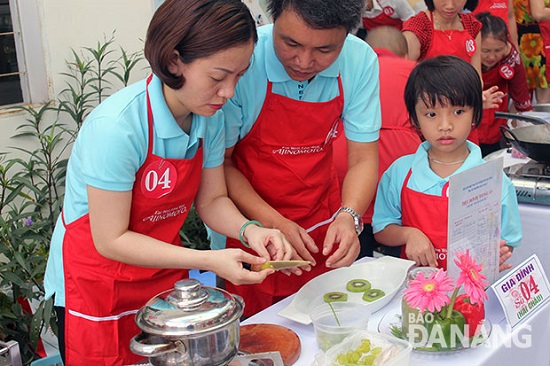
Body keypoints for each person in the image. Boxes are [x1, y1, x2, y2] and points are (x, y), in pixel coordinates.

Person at [43, 1, 294, 364]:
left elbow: (212, 201)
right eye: (218, 77)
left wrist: (250, 230)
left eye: (238, 77)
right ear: (174, 61)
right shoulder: (117, 128)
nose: (229, 92)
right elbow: (111, 239)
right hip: (97, 285)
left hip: (161, 273)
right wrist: (209, 260)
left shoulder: (209, 118)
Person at [221, 0, 382, 317]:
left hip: (323, 223)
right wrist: (273, 222)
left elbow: (363, 157)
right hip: (249, 228)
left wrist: (349, 216)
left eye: (325, 50)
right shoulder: (243, 61)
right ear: (273, 17)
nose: (304, 61)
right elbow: (222, 166)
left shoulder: (359, 60)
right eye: (290, 43)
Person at [372, 56, 522, 272]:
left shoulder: (493, 179)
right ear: (415, 118)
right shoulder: (400, 172)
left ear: (475, 113)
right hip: (416, 293)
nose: (445, 126)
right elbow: (382, 229)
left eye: (458, 112)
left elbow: (508, 242)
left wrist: (496, 254)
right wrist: (409, 234)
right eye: (431, 114)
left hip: (471, 295)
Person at [333, 26, 421, 258]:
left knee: (352, 240)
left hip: (349, 160)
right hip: (401, 165)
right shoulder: (415, 71)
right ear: (405, 54)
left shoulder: (348, 70)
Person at [476, 12, 532, 156]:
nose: (492, 57)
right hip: (470, 117)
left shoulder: (512, 59)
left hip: (496, 117)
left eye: (498, 50)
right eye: (485, 51)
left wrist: (522, 140)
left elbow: (522, 100)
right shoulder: (464, 54)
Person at [515, 0, 550, 103]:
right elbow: (538, 13)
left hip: (533, 39)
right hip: (536, 41)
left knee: (523, 97)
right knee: (543, 96)